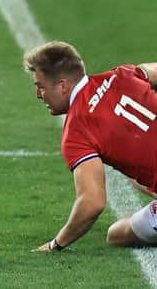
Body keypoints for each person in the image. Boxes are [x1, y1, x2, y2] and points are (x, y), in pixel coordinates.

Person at [24, 41, 157, 251]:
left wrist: (56, 244)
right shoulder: (122, 74)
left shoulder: (76, 132)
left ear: (63, 86)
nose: (39, 95)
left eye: (41, 87)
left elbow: (92, 203)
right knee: (135, 179)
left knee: (116, 235)